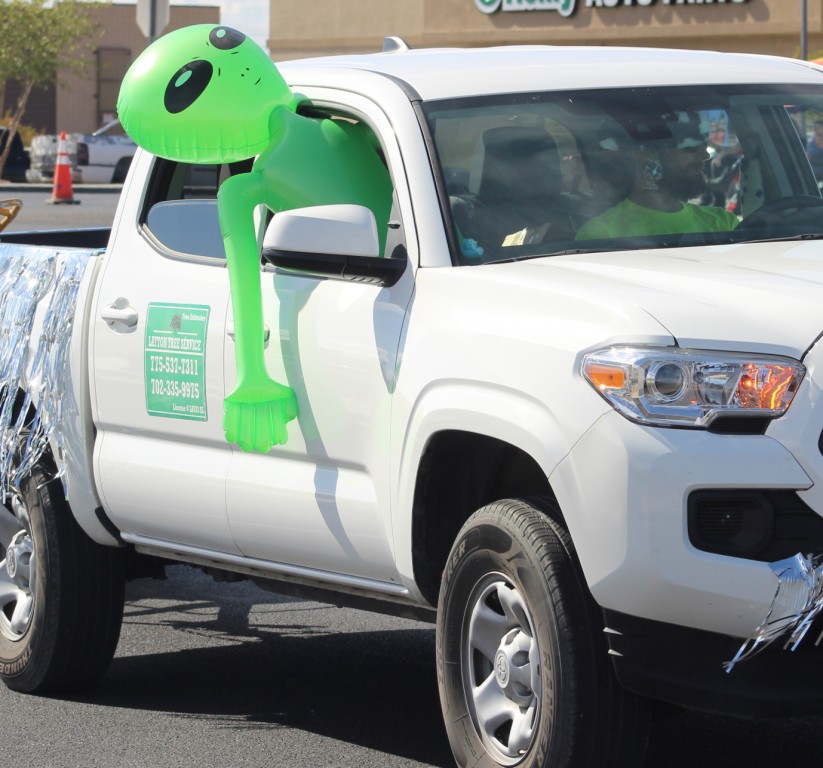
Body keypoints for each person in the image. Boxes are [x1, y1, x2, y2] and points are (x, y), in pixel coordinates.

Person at [576, 112, 739, 240]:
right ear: (647, 155)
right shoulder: (601, 234)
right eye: (690, 148)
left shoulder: (725, 224)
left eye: (705, 146)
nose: (705, 155)